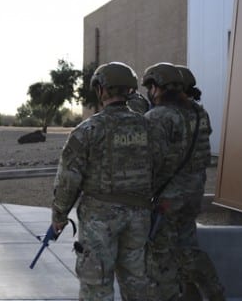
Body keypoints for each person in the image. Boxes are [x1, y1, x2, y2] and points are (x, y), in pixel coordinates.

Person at [50, 62, 164, 301]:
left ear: (101, 89)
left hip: (99, 221)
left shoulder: (88, 129)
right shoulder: (150, 127)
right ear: (130, 90)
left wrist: (59, 216)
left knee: (97, 285)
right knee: (137, 282)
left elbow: (68, 180)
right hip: (139, 217)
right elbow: (162, 169)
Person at [143, 63, 225, 301]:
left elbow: (153, 162)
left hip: (168, 198)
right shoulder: (200, 113)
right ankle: (207, 290)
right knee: (187, 244)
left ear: (157, 88)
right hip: (194, 191)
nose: (150, 92)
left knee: (161, 254)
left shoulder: (157, 117)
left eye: (150, 87)